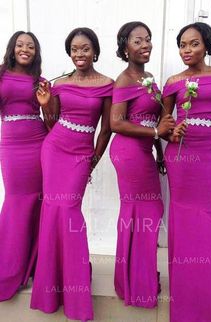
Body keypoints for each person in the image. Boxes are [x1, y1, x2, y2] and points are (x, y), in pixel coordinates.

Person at [30, 27, 113, 321]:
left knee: (68, 212)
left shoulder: (107, 84)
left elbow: (106, 129)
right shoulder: (61, 83)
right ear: (69, 53)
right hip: (54, 150)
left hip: (80, 154)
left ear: (95, 51)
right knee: (53, 212)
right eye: (75, 49)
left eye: (85, 48)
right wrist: (44, 105)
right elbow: (52, 123)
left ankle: (75, 289)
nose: (80, 54)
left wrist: (94, 160)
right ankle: (51, 289)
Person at [162, 22, 211, 322]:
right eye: (182, 45)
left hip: (208, 156)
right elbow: (164, 123)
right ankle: (189, 297)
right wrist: (171, 132)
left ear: (206, 45)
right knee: (184, 220)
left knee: (208, 218)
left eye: (193, 44)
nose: (186, 50)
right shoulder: (173, 81)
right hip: (180, 159)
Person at [110, 21, 175, 308]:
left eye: (147, 39)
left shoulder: (148, 76)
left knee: (146, 212)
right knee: (142, 211)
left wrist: (159, 153)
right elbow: (115, 122)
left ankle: (137, 277)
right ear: (125, 47)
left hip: (144, 152)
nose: (145, 44)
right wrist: (154, 134)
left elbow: (155, 120)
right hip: (128, 153)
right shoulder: (124, 79)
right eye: (137, 41)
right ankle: (135, 282)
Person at [0, 31, 48, 300]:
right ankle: (9, 268)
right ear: (12, 48)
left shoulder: (39, 81)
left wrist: (46, 101)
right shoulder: (0, 73)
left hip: (38, 142)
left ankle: (35, 266)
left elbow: (50, 117)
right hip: (11, 144)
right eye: (20, 45)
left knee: (38, 201)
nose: (25, 49)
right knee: (16, 201)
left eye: (30, 46)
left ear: (35, 52)